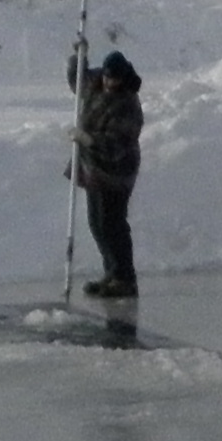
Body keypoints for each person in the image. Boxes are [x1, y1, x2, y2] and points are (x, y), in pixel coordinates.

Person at [71, 49, 142, 298]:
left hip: (117, 171)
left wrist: (89, 139)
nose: (110, 83)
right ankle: (112, 273)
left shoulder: (128, 103)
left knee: (113, 224)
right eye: (108, 78)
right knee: (97, 223)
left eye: (115, 80)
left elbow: (118, 142)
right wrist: (78, 58)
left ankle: (124, 278)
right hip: (94, 168)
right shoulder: (97, 81)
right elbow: (78, 82)